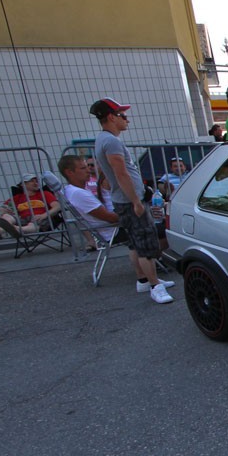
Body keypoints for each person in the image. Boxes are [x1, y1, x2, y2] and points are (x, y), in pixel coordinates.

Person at [89, 96, 174, 304]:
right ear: (111, 117)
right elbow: (121, 173)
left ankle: (144, 279)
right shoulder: (111, 141)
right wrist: (136, 200)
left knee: (135, 244)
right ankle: (155, 286)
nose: (127, 119)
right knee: (145, 243)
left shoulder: (104, 139)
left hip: (123, 199)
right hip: (129, 200)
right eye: (122, 115)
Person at [57, 154, 125, 251]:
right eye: (83, 168)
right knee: (146, 226)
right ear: (69, 172)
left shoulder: (71, 190)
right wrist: (132, 216)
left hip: (107, 231)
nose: (88, 170)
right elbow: (111, 218)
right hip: (112, 233)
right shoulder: (79, 194)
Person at [0, 173, 61, 239]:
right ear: (23, 184)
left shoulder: (45, 194)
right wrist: (2, 211)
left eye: (36, 181)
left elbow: (57, 206)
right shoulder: (17, 198)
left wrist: (44, 215)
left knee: (33, 223)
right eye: (31, 181)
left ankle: (16, 230)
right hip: (22, 219)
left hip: (39, 218)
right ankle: (0, 230)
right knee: (6, 216)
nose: (36, 183)